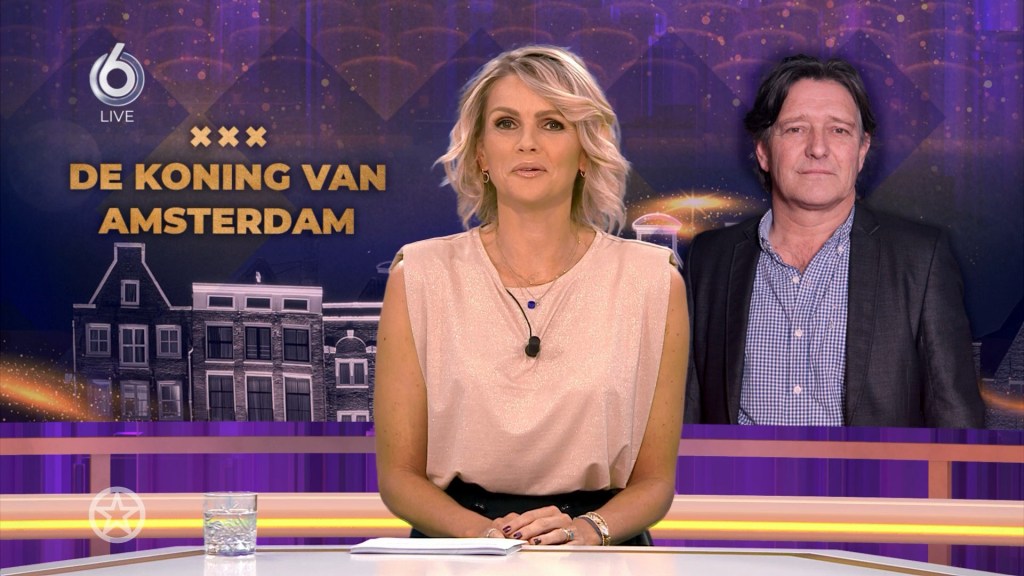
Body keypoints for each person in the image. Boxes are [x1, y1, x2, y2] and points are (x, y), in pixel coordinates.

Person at [374, 46, 689, 546]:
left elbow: (655, 483)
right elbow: (398, 477)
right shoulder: (419, 274)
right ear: (481, 153)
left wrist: (586, 532)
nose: (527, 143)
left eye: (552, 124)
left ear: (585, 151)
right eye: (506, 124)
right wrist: (490, 538)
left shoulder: (653, 281)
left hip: (597, 548)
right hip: (459, 547)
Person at [684, 54, 985, 428]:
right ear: (763, 150)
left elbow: (956, 422)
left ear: (861, 150)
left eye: (839, 130)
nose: (818, 148)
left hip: (872, 470)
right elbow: (683, 417)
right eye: (796, 129)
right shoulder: (709, 261)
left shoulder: (920, 261)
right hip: (737, 470)